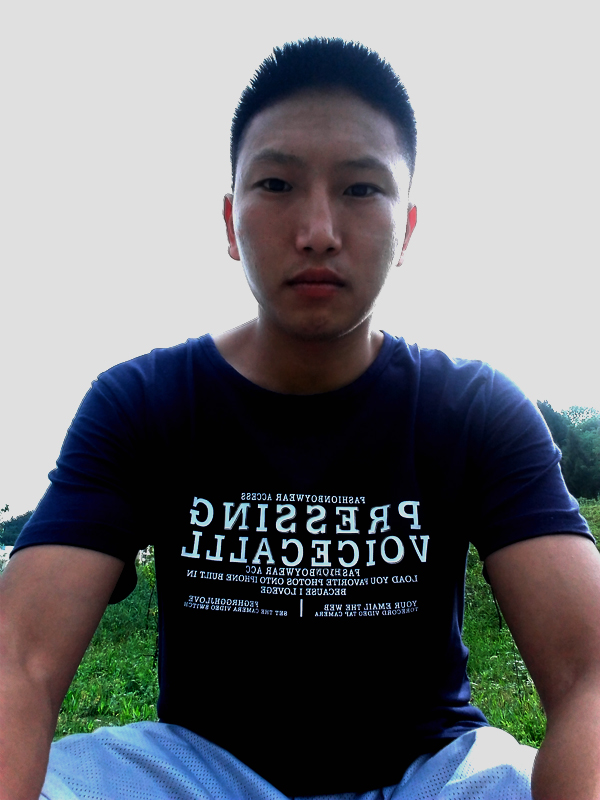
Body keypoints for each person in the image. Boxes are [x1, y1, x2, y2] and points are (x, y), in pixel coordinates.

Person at [1, 37, 599, 800]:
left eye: (361, 189)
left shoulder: (476, 409)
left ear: (408, 228)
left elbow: (589, 673)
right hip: (199, 772)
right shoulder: (142, 402)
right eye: (277, 183)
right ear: (229, 221)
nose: (318, 229)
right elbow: (19, 660)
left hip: (429, 774)